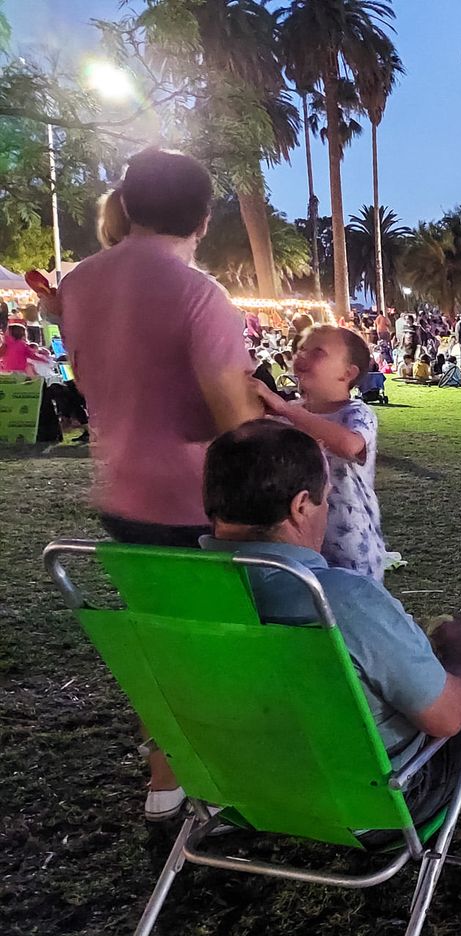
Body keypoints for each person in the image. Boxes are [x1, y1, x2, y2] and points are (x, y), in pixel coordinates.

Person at [57, 148, 263, 821]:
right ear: (204, 220)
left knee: (159, 640)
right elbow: (232, 425)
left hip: (119, 492)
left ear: (130, 203)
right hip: (192, 499)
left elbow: (91, 386)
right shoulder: (200, 295)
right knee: (211, 650)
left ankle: (164, 777)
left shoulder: (81, 282)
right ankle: (211, 781)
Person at [201, 421, 461, 820]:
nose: (327, 510)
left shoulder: (170, 594)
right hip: (371, 804)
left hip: (239, 794)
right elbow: (446, 718)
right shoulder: (341, 600)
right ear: (299, 507)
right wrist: (457, 661)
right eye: (325, 499)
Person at [254, 325, 389, 583]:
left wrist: (286, 410)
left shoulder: (356, 413)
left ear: (347, 374)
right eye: (301, 349)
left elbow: (350, 445)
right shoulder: (288, 413)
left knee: (351, 613)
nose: (302, 356)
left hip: (351, 545)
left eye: (317, 352)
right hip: (298, 540)